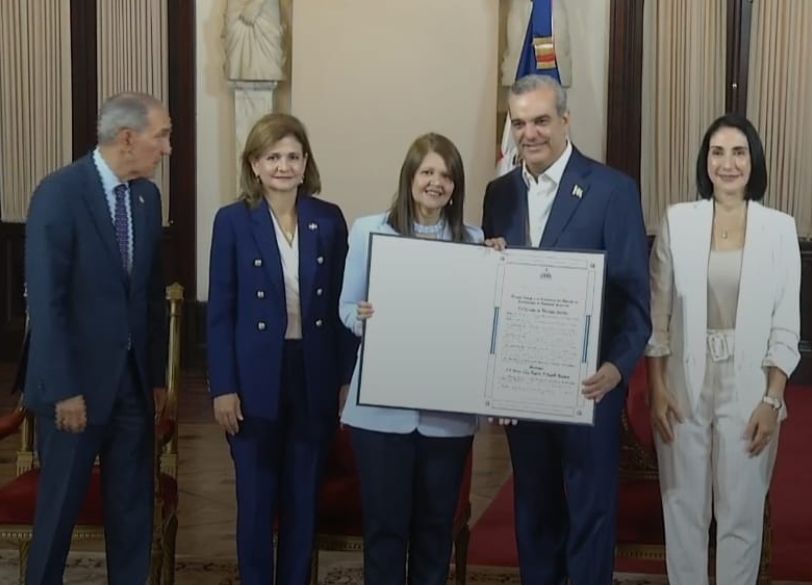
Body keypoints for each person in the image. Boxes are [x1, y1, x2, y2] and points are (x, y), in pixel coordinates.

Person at [481, 74, 651, 585]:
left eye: (540, 120)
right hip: (523, 389)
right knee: (533, 511)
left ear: (565, 120)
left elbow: (635, 301)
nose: (529, 134)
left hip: (589, 389)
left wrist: (616, 370)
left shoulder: (612, 190)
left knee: (590, 514)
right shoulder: (498, 195)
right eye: (519, 124)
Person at [646, 113, 802, 585]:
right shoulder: (679, 220)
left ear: (753, 161)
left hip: (750, 383)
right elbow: (658, 314)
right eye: (717, 152)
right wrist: (656, 388)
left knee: (740, 513)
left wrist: (773, 399)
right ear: (705, 160)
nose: (728, 163)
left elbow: (785, 323)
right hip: (682, 383)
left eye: (738, 152)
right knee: (683, 509)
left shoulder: (779, 228)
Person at [23, 92, 172, 585]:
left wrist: (152, 377)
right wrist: (64, 389)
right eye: (162, 136)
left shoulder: (148, 198)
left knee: (132, 514)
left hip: (130, 387)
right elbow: (47, 304)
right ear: (127, 139)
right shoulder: (60, 192)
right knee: (58, 515)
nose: (167, 148)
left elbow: (149, 295)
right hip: (75, 390)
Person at [207, 113, 357, 584]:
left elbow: (342, 305)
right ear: (254, 164)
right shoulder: (232, 221)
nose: (283, 166)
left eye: (293, 156)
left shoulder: (327, 219)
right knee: (255, 501)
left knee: (302, 499)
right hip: (254, 380)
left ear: (306, 162)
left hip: (313, 373)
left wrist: (344, 378)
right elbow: (221, 313)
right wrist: (223, 387)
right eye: (273, 156)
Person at [339, 132, 480, 585]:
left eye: (446, 175)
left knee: (435, 531)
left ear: (456, 186)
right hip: (380, 415)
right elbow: (346, 308)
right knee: (384, 530)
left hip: (447, 418)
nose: (436, 182)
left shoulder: (475, 243)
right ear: (410, 177)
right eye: (427, 172)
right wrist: (367, 320)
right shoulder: (369, 230)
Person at [223, 0, 285, 81]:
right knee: (235, 35)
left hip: (265, 7)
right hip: (237, 6)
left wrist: (258, 2)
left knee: (268, 62)